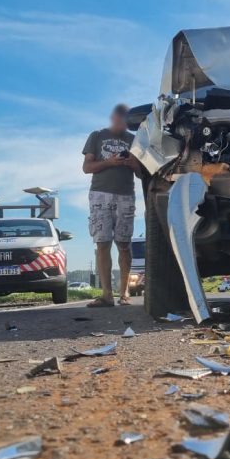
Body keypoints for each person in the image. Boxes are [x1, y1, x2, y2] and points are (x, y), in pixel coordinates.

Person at [82, 104, 141, 307]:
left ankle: (124, 292)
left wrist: (131, 163)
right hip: (100, 195)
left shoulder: (135, 140)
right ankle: (107, 294)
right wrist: (110, 162)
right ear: (113, 116)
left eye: (126, 118)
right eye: (120, 116)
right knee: (102, 243)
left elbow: (142, 173)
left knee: (124, 244)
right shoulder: (97, 136)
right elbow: (87, 167)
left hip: (126, 195)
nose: (122, 120)